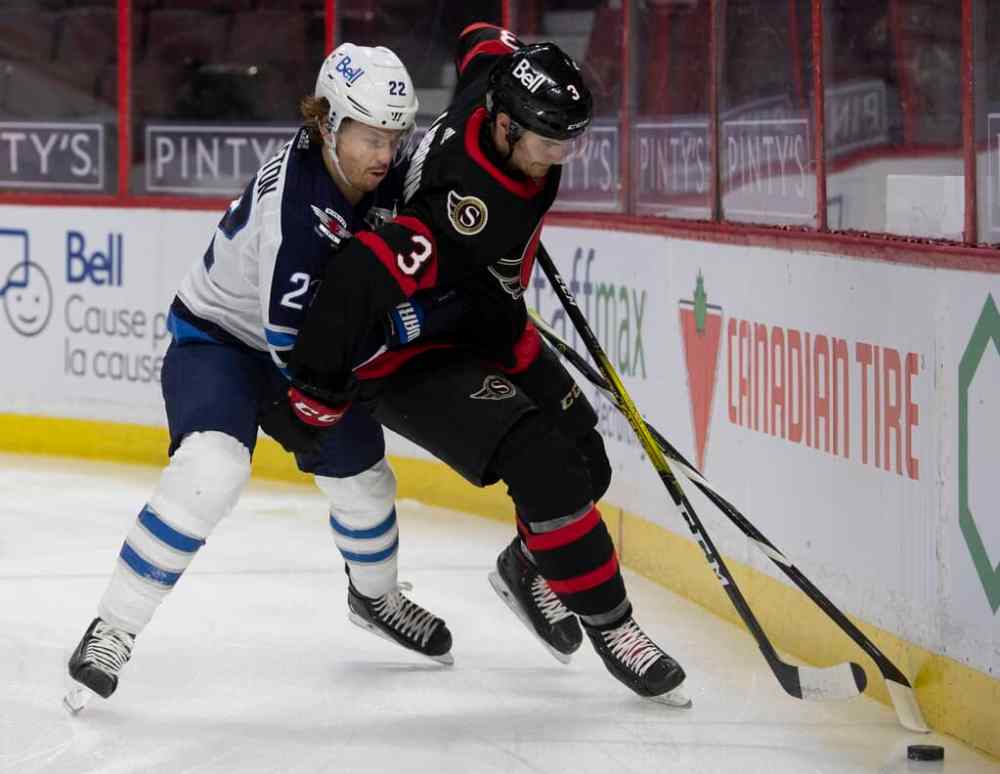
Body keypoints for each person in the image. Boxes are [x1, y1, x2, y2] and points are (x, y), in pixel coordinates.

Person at [282, 24, 689, 704]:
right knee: (545, 466)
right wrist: (314, 395)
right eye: (549, 141)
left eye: (571, 140)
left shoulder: (498, 76)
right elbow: (357, 280)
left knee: (588, 460)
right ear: (503, 125)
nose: (560, 155)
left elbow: (477, 36)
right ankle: (616, 628)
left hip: (486, 317)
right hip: (415, 349)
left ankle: (527, 570)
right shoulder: (459, 207)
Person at [64, 43, 453, 713]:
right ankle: (112, 629)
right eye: (369, 135)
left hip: (309, 345)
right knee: (210, 468)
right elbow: (294, 349)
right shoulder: (294, 215)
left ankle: (376, 597)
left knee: (366, 480)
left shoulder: (384, 167)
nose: (384, 153)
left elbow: (449, 152)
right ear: (327, 123)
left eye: (395, 134)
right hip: (222, 343)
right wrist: (405, 327)